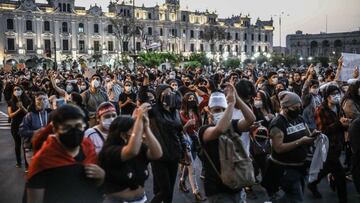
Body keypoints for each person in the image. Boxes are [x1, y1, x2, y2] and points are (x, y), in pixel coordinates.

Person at [26, 104, 105, 203]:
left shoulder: (88, 146)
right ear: (55, 129)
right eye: (67, 127)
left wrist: (101, 176)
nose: (74, 131)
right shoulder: (42, 160)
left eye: (79, 126)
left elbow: (93, 184)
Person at [199, 85, 256, 203]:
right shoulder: (204, 130)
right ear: (209, 111)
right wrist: (230, 105)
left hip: (237, 185)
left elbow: (250, 119)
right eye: (217, 110)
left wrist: (236, 100)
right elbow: (219, 129)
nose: (221, 113)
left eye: (223, 110)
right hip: (218, 190)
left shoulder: (232, 126)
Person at [99, 103, 162, 203]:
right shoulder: (110, 151)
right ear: (123, 134)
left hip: (142, 200)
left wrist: (146, 128)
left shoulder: (139, 147)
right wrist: (139, 119)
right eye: (134, 129)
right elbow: (131, 151)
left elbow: (157, 153)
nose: (138, 131)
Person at [261, 91, 318, 202]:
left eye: (299, 106)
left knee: (293, 196)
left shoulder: (299, 118)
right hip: (285, 169)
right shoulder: (278, 123)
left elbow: (307, 135)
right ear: (285, 108)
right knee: (297, 198)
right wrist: (300, 142)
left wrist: (314, 136)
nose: (299, 109)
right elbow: (278, 148)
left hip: (300, 166)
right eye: (295, 107)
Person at [309, 85, 349, 203]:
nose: (336, 96)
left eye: (338, 93)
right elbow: (323, 131)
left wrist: (345, 124)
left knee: (326, 169)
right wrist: (339, 124)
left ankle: (312, 184)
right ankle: (343, 199)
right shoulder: (320, 110)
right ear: (327, 96)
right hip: (328, 146)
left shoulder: (338, 107)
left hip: (338, 144)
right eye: (333, 94)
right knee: (340, 175)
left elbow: (341, 124)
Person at [148, 84, 186, 203]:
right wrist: (144, 85)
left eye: (171, 93)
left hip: (174, 155)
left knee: (169, 194)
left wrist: (184, 150)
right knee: (164, 190)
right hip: (159, 156)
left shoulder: (175, 112)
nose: (170, 95)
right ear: (159, 95)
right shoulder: (153, 110)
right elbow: (143, 100)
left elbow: (180, 132)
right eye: (166, 93)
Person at [178, 92, 206, 202]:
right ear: (185, 101)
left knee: (189, 163)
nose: (191, 100)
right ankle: (196, 192)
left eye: (193, 98)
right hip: (186, 141)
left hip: (195, 140)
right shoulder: (180, 114)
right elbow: (179, 131)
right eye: (189, 98)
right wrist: (187, 125)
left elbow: (206, 100)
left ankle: (181, 181)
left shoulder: (196, 111)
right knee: (192, 167)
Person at [19, 91, 51, 169]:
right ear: (35, 101)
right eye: (39, 99)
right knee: (36, 172)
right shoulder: (30, 115)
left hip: (48, 148)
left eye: (44, 99)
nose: (42, 101)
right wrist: (35, 132)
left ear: (47, 100)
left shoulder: (52, 114)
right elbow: (22, 131)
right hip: (32, 149)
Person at [8, 85, 31, 168]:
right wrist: (18, 109)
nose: (16, 91)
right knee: (17, 145)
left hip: (25, 124)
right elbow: (10, 115)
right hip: (15, 125)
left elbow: (29, 113)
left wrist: (22, 107)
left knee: (25, 145)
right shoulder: (11, 101)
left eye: (18, 89)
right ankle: (18, 162)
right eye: (15, 89)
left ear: (22, 90)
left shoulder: (28, 100)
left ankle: (27, 164)